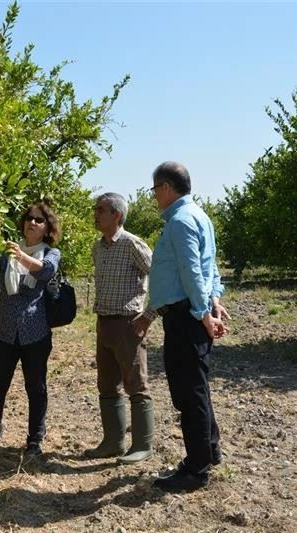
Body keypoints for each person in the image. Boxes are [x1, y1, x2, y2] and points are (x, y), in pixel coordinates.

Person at [133, 161, 231, 492]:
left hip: (186, 315)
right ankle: (210, 450)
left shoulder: (179, 222)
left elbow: (192, 271)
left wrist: (204, 312)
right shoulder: (199, 216)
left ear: (165, 188)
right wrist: (214, 301)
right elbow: (210, 267)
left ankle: (196, 469)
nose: (154, 197)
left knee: (189, 395)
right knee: (197, 388)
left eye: (154, 190)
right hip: (191, 311)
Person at [0, 201, 62, 457]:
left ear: (47, 228)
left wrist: (20, 257)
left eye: (39, 220)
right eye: (29, 218)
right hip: (4, 330)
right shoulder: (8, 254)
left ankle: (35, 439)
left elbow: (46, 272)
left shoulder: (50, 253)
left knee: (36, 387)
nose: (32, 222)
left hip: (35, 332)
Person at [85, 192, 157, 464]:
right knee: (107, 385)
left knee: (136, 385)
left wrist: (150, 313)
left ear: (117, 215)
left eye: (101, 210)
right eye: (96, 209)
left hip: (129, 325)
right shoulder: (98, 247)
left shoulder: (132, 245)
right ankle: (112, 442)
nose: (96, 214)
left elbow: (160, 276)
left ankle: (142, 445)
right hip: (104, 323)